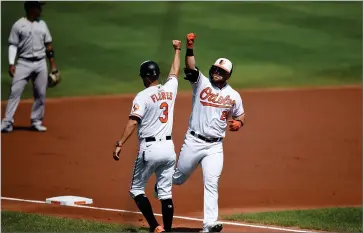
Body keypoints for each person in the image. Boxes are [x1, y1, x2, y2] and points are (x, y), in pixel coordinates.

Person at [172, 33, 246, 232]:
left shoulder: (234, 95)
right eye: (215, 69)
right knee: (178, 178)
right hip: (193, 141)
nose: (216, 72)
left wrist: (239, 123)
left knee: (211, 183)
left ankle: (209, 225)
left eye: (221, 71)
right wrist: (189, 47)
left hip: (215, 146)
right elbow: (190, 67)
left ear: (227, 75)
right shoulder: (201, 83)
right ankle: (161, 184)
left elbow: (241, 115)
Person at [113, 40, 182, 233]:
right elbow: (175, 72)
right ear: (158, 75)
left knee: (136, 189)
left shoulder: (142, 96)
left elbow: (133, 122)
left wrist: (120, 143)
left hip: (149, 150)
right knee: (166, 193)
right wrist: (177, 50)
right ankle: (167, 230)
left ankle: (155, 227)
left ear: (144, 77)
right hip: (169, 149)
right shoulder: (170, 89)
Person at [1, 1, 59, 133]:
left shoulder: (42, 25)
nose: (40, 9)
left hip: (40, 63)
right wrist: (11, 63)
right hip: (23, 63)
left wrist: (53, 66)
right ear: (31, 8)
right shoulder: (18, 25)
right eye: (38, 7)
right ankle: (7, 122)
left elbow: (48, 46)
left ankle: (36, 121)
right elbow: (13, 45)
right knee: (15, 91)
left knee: (40, 94)